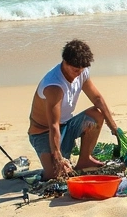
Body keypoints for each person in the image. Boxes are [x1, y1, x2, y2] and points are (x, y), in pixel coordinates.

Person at [27, 39, 120, 180]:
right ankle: (54, 160)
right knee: (54, 176)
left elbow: (97, 99)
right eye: (76, 70)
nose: (79, 73)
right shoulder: (54, 86)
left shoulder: (82, 71)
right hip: (43, 133)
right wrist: (57, 156)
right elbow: (53, 125)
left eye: (82, 70)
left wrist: (113, 125)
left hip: (66, 126)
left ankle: (85, 159)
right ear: (65, 62)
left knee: (97, 114)